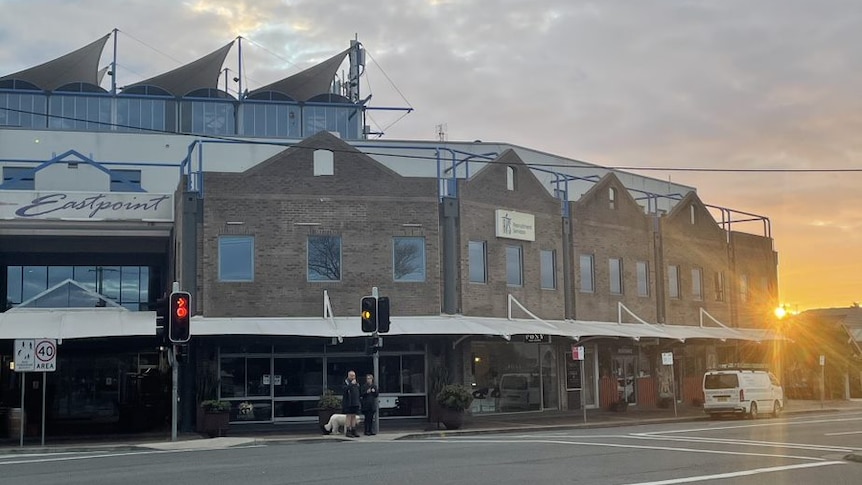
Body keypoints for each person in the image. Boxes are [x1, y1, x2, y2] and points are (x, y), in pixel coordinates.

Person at [342, 370, 361, 437]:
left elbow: (358, 391)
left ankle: (354, 430)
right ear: (348, 375)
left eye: (354, 376)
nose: (353, 377)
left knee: (354, 416)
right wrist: (351, 384)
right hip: (348, 402)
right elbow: (344, 390)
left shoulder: (356, 383)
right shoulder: (346, 382)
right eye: (351, 375)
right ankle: (348, 430)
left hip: (355, 402)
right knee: (349, 416)